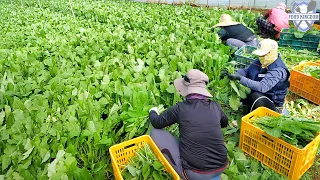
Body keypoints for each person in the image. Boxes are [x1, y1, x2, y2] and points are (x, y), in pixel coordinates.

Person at [149, 69, 229, 180]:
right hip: (222, 165)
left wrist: (152, 111)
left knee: (156, 132)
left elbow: (156, 123)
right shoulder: (215, 106)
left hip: (196, 173)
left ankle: (184, 175)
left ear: (187, 89)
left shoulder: (180, 108)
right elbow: (224, 123)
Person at [225, 39, 290, 114]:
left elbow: (262, 87)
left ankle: (248, 116)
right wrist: (236, 73)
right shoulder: (262, 60)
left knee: (256, 97)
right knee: (245, 92)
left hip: (271, 102)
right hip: (257, 92)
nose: (260, 57)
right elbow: (248, 70)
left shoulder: (278, 70)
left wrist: (240, 78)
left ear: (271, 53)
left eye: (263, 55)